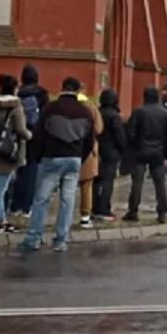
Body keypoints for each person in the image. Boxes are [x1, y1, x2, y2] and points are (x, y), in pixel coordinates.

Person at [19, 77, 94, 253]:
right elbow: (90, 141)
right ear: (78, 90)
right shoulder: (85, 112)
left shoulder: (50, 108)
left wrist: (37, 156)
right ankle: (60, 240)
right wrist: (80, 157)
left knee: (41, 198)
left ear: (62, 88)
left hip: (52, 157)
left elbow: (38, 134)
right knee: (67, 201)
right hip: (74, 159)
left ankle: (34, 238)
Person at [0, 74, 32, 233]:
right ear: (14, 88)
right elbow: (20, 129)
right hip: (9, 150)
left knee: (0, 184)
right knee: (1, 188)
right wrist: (29, 135)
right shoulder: (16, 106)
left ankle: (2, 220)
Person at [124, 86, 167, 223]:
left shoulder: (138, 112)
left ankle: (133, 211)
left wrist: (132, 148)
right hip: (159, 152)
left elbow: (131, 133)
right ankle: (162, 212)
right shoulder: (166, 114)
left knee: (137, 183)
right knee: (160, 183)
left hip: (140, 151)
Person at [10, 64, 50, 217]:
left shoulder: (18, 94)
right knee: (32, 172)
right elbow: (47, 118)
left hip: (19, 135)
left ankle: (15, 205)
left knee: (19, 169)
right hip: (36, 137)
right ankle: (28, 206)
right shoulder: (42, 94)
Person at [94, 89, 127, 221]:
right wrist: (123, 149)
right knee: (108, 181)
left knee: (96, 181)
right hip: (111, 151)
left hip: (97, 150)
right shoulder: (114, 116)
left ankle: (94, 208)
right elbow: (119, 136)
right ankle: (104, 209)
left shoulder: (97, 112)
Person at [75, 89, 105, 229]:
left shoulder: (63, 105)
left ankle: (63, 216)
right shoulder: (91, 107)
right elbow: (99, 129)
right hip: (88, 149)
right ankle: (85, 217)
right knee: (86, 185)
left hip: (67, 148)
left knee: (65, 185)